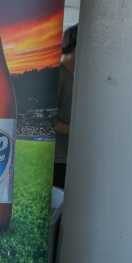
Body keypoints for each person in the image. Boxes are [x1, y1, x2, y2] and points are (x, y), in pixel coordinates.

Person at [53, 24, 77, 189]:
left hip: (67, 157)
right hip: (56, 160)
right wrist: (77, 131)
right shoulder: (59, 75)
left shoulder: (71, 76)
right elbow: (46, 120)